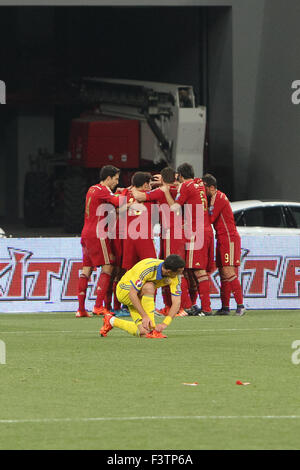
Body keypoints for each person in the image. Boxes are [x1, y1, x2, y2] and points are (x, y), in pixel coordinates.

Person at [131, 167, 195, 316]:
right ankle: (172, 306)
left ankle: (182, 308)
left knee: (174, 270)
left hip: (171, 232)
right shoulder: (178, 188)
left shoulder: (162, 191)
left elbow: (139, 197)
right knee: (170, 269)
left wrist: (133, 187)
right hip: (176, 232)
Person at [76, 165, 131, 317]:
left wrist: (120, 195)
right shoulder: (102, 190)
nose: (117, 183)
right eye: (116, 179)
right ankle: (98, 306)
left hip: (86, 233)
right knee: (108, 266)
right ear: (108, 178)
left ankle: (81, 309)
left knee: (86, 269)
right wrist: (127, 191)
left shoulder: (92, 189)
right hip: (98, 233)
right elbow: (118, 201)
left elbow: (112, 206)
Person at [161, 163, 214, 316]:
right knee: (193, 270)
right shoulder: (199, 184)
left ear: (181, 176)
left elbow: (175, 207)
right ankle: (197, 306)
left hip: (196, 232)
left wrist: (165, 192)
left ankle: (205, 308)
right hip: (206, 230)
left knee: (196, 270)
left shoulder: (186, 186)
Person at [99, 254, 185, 338]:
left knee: (144, 332)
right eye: (179, 272)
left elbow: (177, 301)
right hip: (125, 291)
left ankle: (111, 321)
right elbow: (132, 294)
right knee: (149, 286)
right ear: (169, 272)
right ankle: (152, 330)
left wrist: (164, 323)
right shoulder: (147, 269)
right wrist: (144, 316)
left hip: (138, 296)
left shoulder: (174, 275)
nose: (180, 274)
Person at [202, 173, 246, 316]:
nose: (203, 192)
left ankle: (241, 305)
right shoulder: (214, 198)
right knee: (222, 273)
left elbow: (210, 218)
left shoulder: (219, 198)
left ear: (212, 187)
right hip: (221, 238)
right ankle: (225, 307)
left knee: (228, 271)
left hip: (229, 239)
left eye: (204, 188)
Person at [121, 172, 158, 271]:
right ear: (145, 184)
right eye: (149, 184)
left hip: (128, 238)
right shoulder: (151, 197)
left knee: (130, 272)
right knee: (150, 270)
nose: (151, 187)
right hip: (144, 237)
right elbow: (155, 219)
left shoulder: (125, 194)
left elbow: (116, 210)